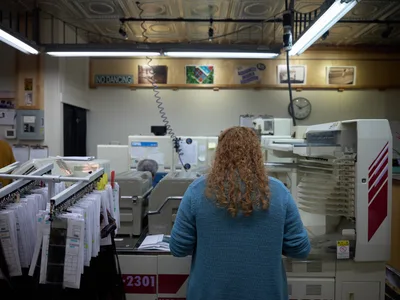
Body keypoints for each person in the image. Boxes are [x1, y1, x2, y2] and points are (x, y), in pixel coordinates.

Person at [170, 126, 310, 300]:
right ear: (258, 155)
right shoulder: (279, 191)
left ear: (219, 154)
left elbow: (178, 248)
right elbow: (300, 249)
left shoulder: (197, 191)